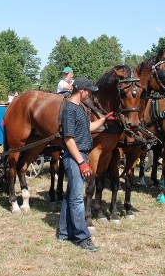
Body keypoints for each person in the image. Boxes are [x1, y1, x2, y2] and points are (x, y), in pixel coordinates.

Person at [57, 77, 115, 252]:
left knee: (70, 197)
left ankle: (64, 233)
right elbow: (68, 139)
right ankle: (82, 237)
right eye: (88, 91)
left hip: (81, 156)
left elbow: (88, 127)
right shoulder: (69, 110)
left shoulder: (81, 108)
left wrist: (104, 119)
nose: (90, 94)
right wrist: (81, 162)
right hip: (75, 157)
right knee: (76, 199)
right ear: (80, 90)